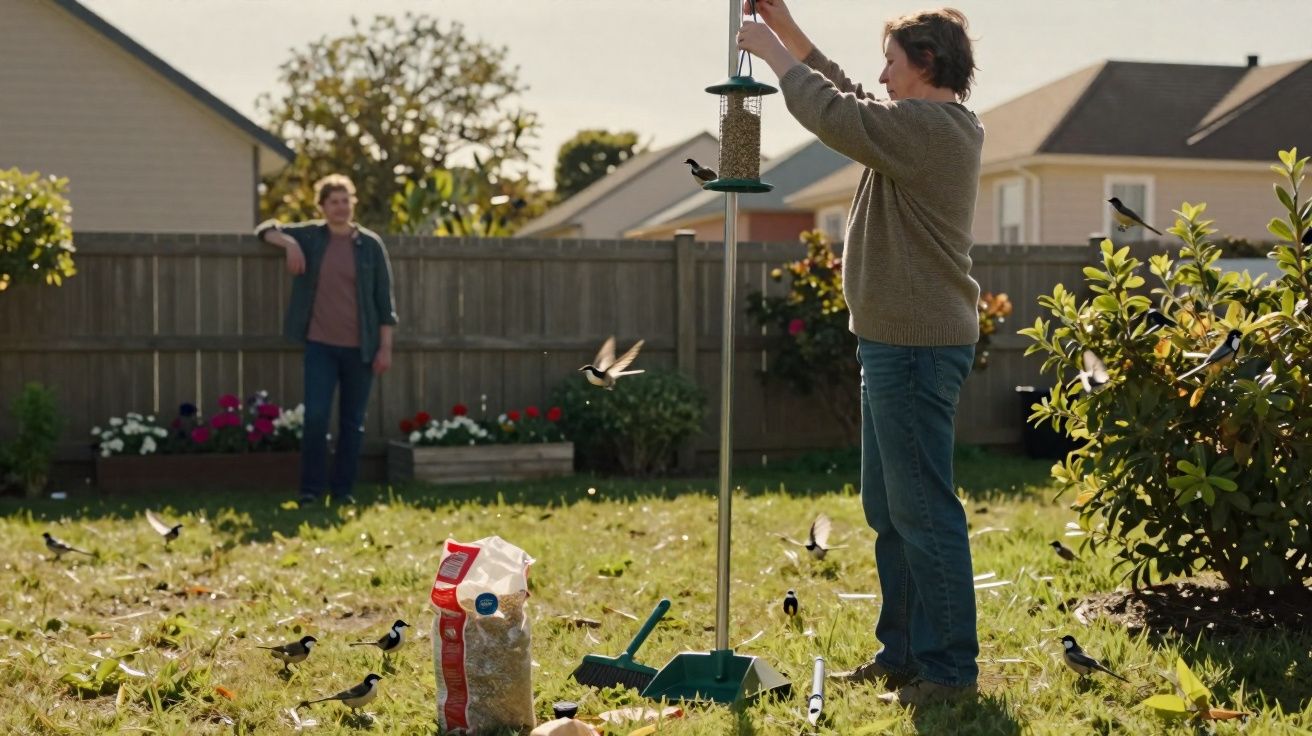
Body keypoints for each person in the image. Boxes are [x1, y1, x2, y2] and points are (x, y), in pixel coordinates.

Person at [738, 2, 983, 706]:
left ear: (926, 65)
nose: (883, 77)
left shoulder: (934, 131)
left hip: (916, 350)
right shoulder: (916, 126)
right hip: (892, 345)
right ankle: (903, 654)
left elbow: (837, 114)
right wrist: (785, 29)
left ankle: (949, 674)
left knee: (924, 511)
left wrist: (772, 55)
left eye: (894, 65)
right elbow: (847, 94)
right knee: (890, 509)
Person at [256, 174, 399, 507]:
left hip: (361, 349)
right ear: (321, 206)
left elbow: (384, 301)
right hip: (320, 346)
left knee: (353, 423)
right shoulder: (309, 236)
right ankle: (310, 491)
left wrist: (385, 347)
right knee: (316, 417)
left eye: (345, 200)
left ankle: (343, 491)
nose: (341, 207)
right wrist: (290, 244)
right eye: (333, 201)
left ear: (353, 204)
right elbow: (264, 228)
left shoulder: (370, 245)